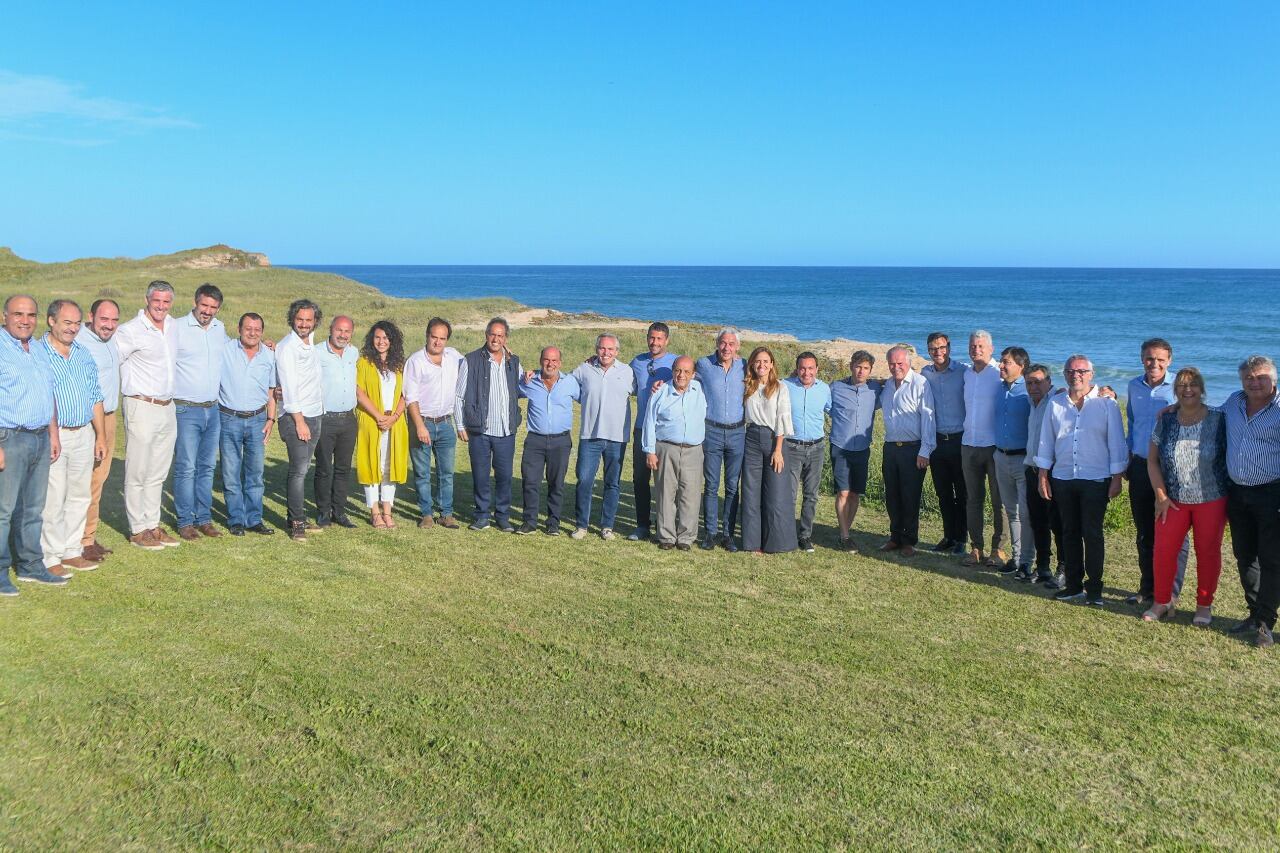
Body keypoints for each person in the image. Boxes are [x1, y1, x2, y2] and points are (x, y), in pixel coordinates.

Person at [1034, 355, 1127, 607]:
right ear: (1065, 374)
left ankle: (1094, 589)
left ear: (1091, 374)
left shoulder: (1106, 404)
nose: (1076, 375)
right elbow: (1046, 441)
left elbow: (1116, 443)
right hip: (1063, 477)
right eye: (1071, 371)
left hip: (1096, 478)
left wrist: (1117, 478)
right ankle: (1073, 585)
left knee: (1092, 533)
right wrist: (1043, 475)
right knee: (1069, 532)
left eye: (1082, 371)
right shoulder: (1056, 403)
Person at [1142, 367, 1228, 627]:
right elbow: (1152, 461)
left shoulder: (1220, 419)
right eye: (1181, 385)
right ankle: (1162, 601)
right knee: (1163, 551)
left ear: (1202, 389)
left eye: (1193, 384)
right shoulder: (1166, 419)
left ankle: (1204, 605)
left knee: (1208, 553)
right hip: (1173, 500)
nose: (1187, 389)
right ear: (1175, 390)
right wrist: (1160, 495)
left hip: (1211, 499)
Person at [0, 295, 66, 594]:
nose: (25, 321)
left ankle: (30, 565)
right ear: (5, 316)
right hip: (10, 437)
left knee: (33, 509)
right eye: (18, 314)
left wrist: (53, 433)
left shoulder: (38, 348)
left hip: (40, 437)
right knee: (4, 510)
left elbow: (47, 392)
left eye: (30, 315)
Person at [39, 300, 107, 577]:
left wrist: (100, 436)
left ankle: (71, 550)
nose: (73, 328)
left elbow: (95, 396)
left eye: (77, 323)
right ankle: (49, 556)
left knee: (79, 495)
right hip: (55, 435)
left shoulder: (82, 353)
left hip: (83, 433)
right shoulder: (38, 353)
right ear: (51, 321)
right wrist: (51, 434)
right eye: (67, 322)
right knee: (54, 497)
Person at [113, 280, 181, 550]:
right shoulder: (130, 331)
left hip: (167, 406)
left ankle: (153, 524)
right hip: (141, 405)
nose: (161, 306)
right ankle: (138, 529)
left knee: (158, 471)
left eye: (166, 301)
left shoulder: (173, 326)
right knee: (138, 470)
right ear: (147, 300)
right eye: (157, 301)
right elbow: (110, 359)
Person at [1222, 355, 1280, 648]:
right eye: (1248, 378)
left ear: (1274, 379)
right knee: (1244, 555)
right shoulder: (1234, 401)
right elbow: (1209, 415)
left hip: (1272, 493)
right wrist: (1175, 408)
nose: (1254, 383)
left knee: (1272, 559)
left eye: (1261, 377)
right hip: (1237, 492)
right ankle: (1254, 613)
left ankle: (1266, 623)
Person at [1125, 338, 1188, 606]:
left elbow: (1199, 414)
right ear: (1142, 358)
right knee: (1144, 532)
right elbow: (1132, 422)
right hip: (1140, 466)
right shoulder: (1133, 386)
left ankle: (1170, 593)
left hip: (1171, 469)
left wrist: (1179, 407)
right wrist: (1128, 456)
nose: (1155, 363)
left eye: (1160, 359)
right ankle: (1147, 587)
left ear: (1169, 360)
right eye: (1150, 358)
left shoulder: (1181, 387)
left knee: (1174, 533)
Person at [171, 283, 229, 540]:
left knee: (206, 467)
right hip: (186, 409)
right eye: (204, 305)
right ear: (195, 302)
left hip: (212, 409)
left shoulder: (219, 329)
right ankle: (185, 521)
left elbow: (233, 351)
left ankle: (203, 519)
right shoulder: (177, 328)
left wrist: (264, 345)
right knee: (186, 467)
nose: (207, 311)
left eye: (213, 307)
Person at [455, 317, 522, 532]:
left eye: (500, 335)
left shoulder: (513, 362)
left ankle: (502, 517)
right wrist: (460, 425)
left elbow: (524, 384)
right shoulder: (471, 360)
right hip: (480, 430)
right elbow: (459, 396)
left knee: (504, 477)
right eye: (492, 334)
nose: (495, 339)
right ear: (486, 335)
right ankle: (482, 516)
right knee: (481, 476)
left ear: (505, 338)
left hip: (506, 430)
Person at [570, 333, 637, 540]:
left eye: (610, 349)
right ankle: (582, 525)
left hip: (617, 437)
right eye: (602, 348)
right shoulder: (584, 369)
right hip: (590, 435)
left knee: (612, 483)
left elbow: (641, 392)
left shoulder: (628, 372)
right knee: (584, 480)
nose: (606, 352)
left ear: (617, 351)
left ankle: (607, 526)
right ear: (596, 349)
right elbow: (566, 383)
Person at [218, 312, 277, 536]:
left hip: (257, 419)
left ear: (262, 332)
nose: (252, 333)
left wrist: (271, 419)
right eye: (248, 328)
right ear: (239, 329)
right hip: (229, 418)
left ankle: (254, 519)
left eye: (257, 329)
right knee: (231, 472)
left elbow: (271, 391)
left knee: (255, 473)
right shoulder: (225, 349)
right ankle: (236, 519)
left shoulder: (269, 356)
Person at [642, 355, 707, 550]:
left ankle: (686, 537)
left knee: (691, 495)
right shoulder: (661, 391)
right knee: (665, 493)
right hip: (666, 448)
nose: (681, 375)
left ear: (693, 374)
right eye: (678, 370)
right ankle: (666, 536)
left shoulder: (699, 389)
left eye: (687, 371)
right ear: (672, 371)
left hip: (693, 450)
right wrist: (650, 451)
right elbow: (649, 422)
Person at [403, 318, 462, 529]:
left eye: (442, 338)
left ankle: (446, 513)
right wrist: (419, 426)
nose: (437, 342)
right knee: (422, 472)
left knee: (447, 473)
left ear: (447, 340)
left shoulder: (454, 357)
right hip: (423, 422)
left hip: (446, 423)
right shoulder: (415, 361)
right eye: (434, 337)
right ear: (427, 336)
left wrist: (505, 353)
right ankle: (426, 514)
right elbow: (410, 397)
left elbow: (476, 362)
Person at [878, 345, 936, 557]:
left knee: (910, 496)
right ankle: (895, 537)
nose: (896, 367)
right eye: (892, 364)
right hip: (891, 448)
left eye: (900, 363)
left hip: (913, 449)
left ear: (909, 363)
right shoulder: (887, 386)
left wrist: (925, 450)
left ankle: (909, 541)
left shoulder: (920, 384)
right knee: (892, 495)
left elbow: (928, 417)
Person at [275, 299, 325, 541]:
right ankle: (297, 523)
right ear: (292, 319)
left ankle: (297, 516)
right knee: (298, 470)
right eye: (299, 319)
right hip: (297, 417)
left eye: (308, 320)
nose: (304, 324)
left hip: (315, 414)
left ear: (315, 321)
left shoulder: (310, 342)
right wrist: (299, 421)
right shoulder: (287, 348)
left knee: (303, 469)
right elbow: (289, 387)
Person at [739, 347, 796, 554]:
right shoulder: (747, 385)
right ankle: (752, 543)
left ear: (772, 364)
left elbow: (782, 417)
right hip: (751, 438)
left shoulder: (780, 387)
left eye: (765, 361)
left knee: (776, 494)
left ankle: (777, 543)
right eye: (757, 361)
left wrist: (778, 449)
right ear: (752, 364)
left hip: (774, 440)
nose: (761, 365)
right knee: (751, 492)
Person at [517, 346, 579, 535]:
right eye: (546, 359)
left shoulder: (570, 382)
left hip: (561, 441)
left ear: (560, 363)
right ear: (540, 361)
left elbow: (587, 398)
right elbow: (509, 390)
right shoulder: (528, 381)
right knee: (530, 481)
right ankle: (530, 522)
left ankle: (553, 523)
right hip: (535, 440)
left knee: (556, 483)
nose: (550, 364)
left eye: (554, 360)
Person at [76, 299, 120, 564]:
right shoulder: (80, 341)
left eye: (114, 320)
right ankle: (82, 541)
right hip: (91, 419)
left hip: (110, 416)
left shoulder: (112, 340)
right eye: (104, 319)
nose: (109, 325)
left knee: (99, 479)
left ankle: (88, 536)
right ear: (91, 316)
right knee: (86, 481)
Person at [696, 328, 747, 551]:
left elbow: (767, 375)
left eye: (731, 344)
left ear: (738, 346)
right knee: (711, 485)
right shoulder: (704, 364)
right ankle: (710, 533)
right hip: (712, 431)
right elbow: (683, 375)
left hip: (737, 433)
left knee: (733, 486)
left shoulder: (745, 366)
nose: (727, 348)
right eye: (723, 343)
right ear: (717, 343)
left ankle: (728, 534)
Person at [355, 321, 408, 528]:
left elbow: (406, 394)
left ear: (392, 340)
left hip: (395, 422)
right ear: (372, 339)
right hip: (371, 420)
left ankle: (387, 511)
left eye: (386, 338)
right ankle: (375, 512)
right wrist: (378, 416)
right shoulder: (364, 362)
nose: (381, 342)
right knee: (371, 464)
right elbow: (359, 392)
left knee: (389, 466)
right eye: (377, 337)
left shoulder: (400, 365)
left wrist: (394, 417)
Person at [628, 322, 678, 541]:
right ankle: (642, 525)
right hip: (641, 428)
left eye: (659, 338)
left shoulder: (676, 363)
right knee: (640, 479)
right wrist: (593, 360)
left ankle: (665, 525)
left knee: (666, 482)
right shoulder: (637, 362)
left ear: (667, 340)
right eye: (651, 337)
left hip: (665, 432)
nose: (654, 342)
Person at [828, 351, 881, 553]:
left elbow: (892, 384)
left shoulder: (875, 389)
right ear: (851, 366)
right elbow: (823, 403)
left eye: (866, 368)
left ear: (870, 371)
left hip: (862, 448)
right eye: (858, 366)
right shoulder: (835, 388)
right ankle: (845, 536)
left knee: (855, 494)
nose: (861, 371)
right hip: (840, 447)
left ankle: (845, 532)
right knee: (843, 492)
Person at [921, 332, 968, 555]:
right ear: (928, 351)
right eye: (933, 348)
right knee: (943, 493)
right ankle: (948, 536)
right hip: (937, 441)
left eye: (941, 347)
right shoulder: (925, 373)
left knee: (962, 493)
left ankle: (962, 539)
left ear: (949, 347)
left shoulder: (963, 371)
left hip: (960, 440)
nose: (938, 352)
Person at [961, 330, 1006, 567]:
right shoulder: (966, 374)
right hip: (969, 443)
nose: (976, 349)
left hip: (994, 445)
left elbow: (1027, 384)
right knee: (973, 500)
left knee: (999, 501)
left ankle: (998, 549)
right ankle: (976, 547)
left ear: (991, 349)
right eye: (972, 345)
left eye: (980, 346)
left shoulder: (1000, 373)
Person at [783, 351, 831, 553]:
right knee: (790, 494)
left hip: (816, 448)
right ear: (797, 369)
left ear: (817, 369)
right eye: (802, 368)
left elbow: (833, 411)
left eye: (810, 368)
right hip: (791, 447)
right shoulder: (785, 386)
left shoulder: (824, 389)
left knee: (811, 495)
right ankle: (786, 534)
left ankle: (805, 536)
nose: (806, 372)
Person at [314, 315, 359, 528]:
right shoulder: (317, 352)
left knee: (343, 468)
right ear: (331, 329)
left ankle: (339, 512)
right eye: (339, 330)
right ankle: (323, 512)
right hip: (325, 419)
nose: (342, 335)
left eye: (347, 331)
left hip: (348, 419)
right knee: (324, 468)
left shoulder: (353, 353)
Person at [1022, 364, 1064, 587]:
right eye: (1029, 383)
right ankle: (1043, 567)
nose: (1033, 387)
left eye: (1038, 382)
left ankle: (1063, 568)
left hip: (1051, 472)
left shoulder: (1058, 400)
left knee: (1057, 523)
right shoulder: (1032, 402)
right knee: (1038, 522)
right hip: (1031, 468)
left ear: (1049, 382)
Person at [993, 346, 1032, 576]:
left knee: (1026, 513)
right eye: (1001, 361)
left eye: (1006, 362)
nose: (1001, 365)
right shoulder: (999, 388)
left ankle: (1027, 560)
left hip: (1023, 459)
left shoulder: (1030, 388)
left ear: (1021, 366)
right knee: (1011, 511)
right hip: (1000, 456)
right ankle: (1017, 559)